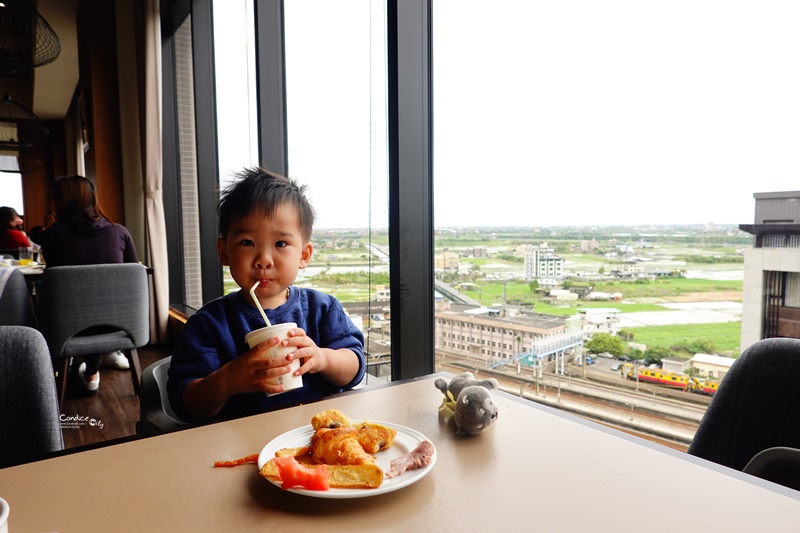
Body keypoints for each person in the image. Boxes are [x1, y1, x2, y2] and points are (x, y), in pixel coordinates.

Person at [167, 167, 365, 421]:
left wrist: (322, 358)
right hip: (239, 446)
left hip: (316, 439)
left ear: (303, 255)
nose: (263, 260)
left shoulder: (322, 309)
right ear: (225, 252)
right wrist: (227, 380)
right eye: (247, 243)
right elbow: (185, 403)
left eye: (280, 244)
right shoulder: (210, 323)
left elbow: (355, 368)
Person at [35, 175, 138, 394]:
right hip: (122, 324)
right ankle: (92, 370)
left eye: (54, 198)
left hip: (68, 327)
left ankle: (60, 369)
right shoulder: (120, 231)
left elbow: (59, 287)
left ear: (62, 202)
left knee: (68, 304)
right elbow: (134, 274)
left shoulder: (53, 236)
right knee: (97, 302)